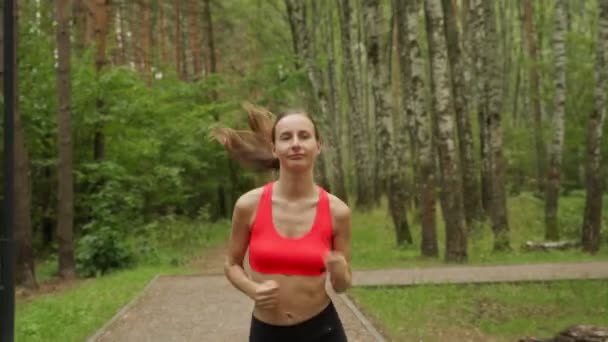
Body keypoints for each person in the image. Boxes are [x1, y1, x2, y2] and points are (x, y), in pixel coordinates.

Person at [212, 103, 352, 342]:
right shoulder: (248, 205)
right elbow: (231, 264)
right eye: (286, 137)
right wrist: (252, 289)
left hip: (322, 330)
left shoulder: (338, 211)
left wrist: (340, 272)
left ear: (318, 146)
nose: (296, 143)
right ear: (274, 148)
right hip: (267, 333)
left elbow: (341, 285)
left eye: (304, 136)